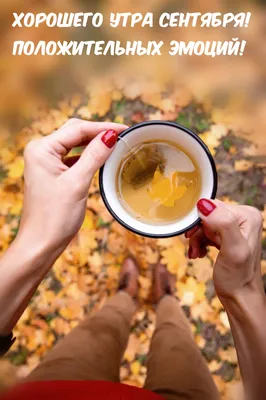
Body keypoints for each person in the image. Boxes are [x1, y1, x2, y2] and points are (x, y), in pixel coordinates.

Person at [0, 119, 265, 400]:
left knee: (101, 328)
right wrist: (242, 289)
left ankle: (129, 295)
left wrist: (36, 241)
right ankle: (163, 299)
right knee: (176, 340)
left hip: (54, 390)